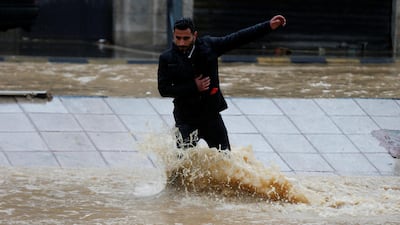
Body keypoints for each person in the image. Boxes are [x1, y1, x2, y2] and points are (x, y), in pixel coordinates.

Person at [158, 15, 286, 151]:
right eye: (178, 38)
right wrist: (194, 86)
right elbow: (163, 89)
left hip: (211, 115)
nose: (181, 43)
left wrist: (268, 26)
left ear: (195, 35)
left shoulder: (209, 46)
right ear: (173, 35)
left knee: (225, 158)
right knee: (183, 165)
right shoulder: (167, 58)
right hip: (185, 119)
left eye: (186, 38)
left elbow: (238, 38)